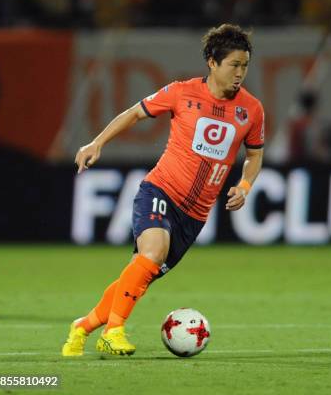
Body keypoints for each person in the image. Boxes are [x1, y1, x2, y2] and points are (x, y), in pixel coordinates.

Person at [62, 24, 265, 356]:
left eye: (245, 65)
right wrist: (97, 142)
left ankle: (82, 327)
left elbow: (254, 155)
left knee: (139, 276)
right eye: (234, 65)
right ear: (212, 63)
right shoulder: (181, 92)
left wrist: (244, 185)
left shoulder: (251, 110)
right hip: (161, 190)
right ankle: (113, 332)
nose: (240, 73)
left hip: (195, 215)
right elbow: (134, 114)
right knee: (152, 252)